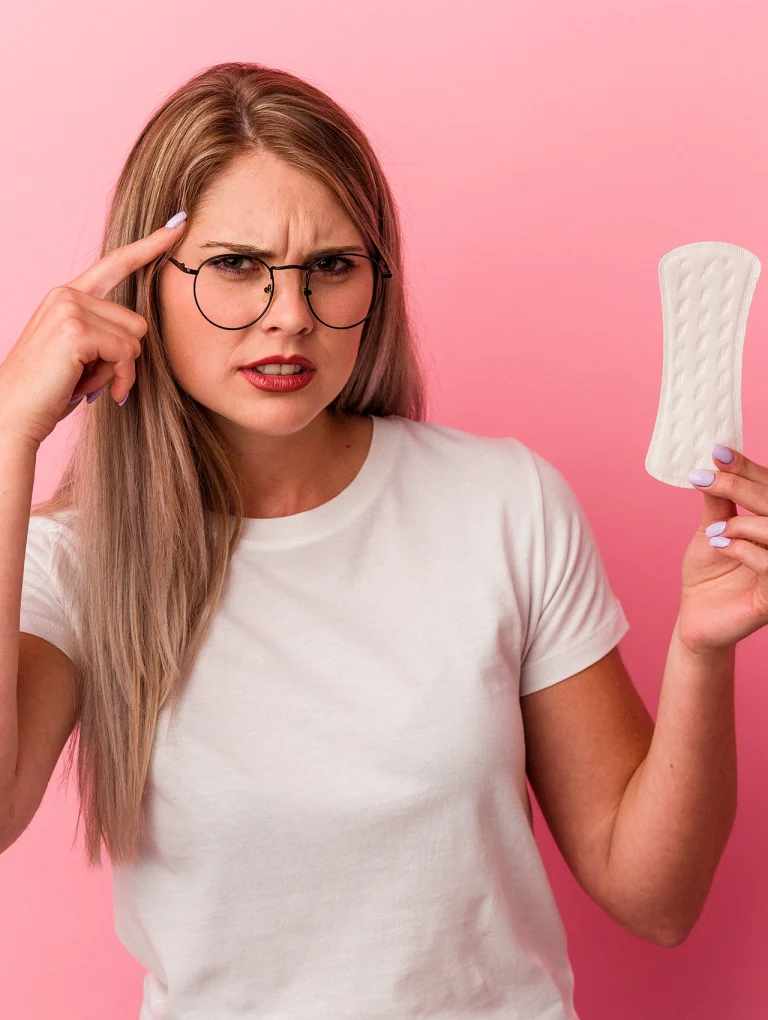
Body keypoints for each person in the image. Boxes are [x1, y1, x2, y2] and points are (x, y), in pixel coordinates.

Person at [0, 60, 764, 1020]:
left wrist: (700, 649)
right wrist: (9, 432)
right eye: (235, 265)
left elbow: (657, 900)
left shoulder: (503, 503)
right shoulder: (74, 563)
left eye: (331, 266)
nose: (290, 316)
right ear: (142, 283)